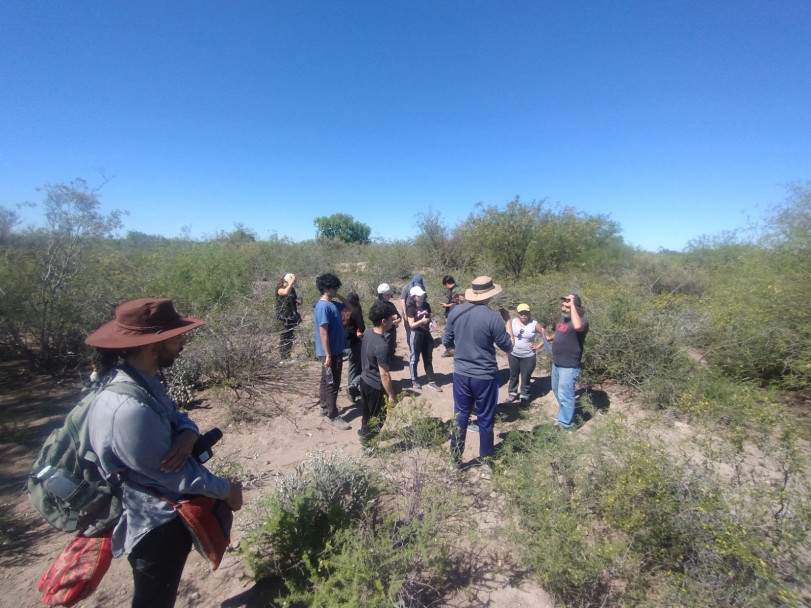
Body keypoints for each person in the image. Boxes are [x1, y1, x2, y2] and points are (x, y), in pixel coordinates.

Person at [85, 298, 243, 608]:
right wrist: (228, 490)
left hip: (159, 513)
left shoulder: (141, 381)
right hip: (152, 526)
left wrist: (187, 434)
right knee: (153, 599)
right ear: (152, 346)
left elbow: (178, 417)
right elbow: (174, 477)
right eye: (177, 336)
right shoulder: (128, 409)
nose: (184, 341)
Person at [443, 276, 512, 474]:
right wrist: (508, 322)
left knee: (460, 416)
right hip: (485, 376)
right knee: (485, 418)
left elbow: (446, 341)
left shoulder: (455, 311)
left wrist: (462, 354)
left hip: (461, 375)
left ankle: (455, 461)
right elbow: (508, 347)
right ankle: (486, 462)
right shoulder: (493, 318)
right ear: (490, 295)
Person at [314, 273, 353, 430]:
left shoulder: (332, 304)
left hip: (333, 350)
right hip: (330, 351)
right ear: (325, 288)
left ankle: (324, 406)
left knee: (326, 379)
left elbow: (350, 308)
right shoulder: (323, 306)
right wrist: (328, 354)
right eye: (334, 287)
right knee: (332, 382)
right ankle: (332, 414)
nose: (336, 289)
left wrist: (339, 295)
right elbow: (323, 332)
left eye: (337, 287)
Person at [358, 301, 397, 444]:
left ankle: (363, 433)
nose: (393, 320)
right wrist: (391, 395)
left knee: (367, 413)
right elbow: (384, 375)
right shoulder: (382, 345)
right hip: (375, 386)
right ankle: (369, 444)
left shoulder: (368, 332)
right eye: (391, 318)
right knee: (378, 418)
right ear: (383, 321)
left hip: (364, 380)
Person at [549, 293, 589, 429]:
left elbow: (577, 327)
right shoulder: (563, 318)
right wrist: (552, 337)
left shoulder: (582, 321)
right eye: (563, 305)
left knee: (566, 395)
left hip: (569, 365)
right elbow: (562, 331)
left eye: (567, 306)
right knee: (556, 390)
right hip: (557, 362)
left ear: (576, 307)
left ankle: (566, 425)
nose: (564, 308)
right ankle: (565, 414)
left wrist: (572, 306)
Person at [505, 303, 544, 404]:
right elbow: (506, 333)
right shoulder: (512, 322)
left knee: (526, 376)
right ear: (518, 313)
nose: (524, 315)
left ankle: (524, 395)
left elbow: (546, 336)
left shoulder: (534, 324)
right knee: (513, 375)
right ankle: (512, 393)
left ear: (529, 313)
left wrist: (538, 345)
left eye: (526, 312)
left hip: (528, 355)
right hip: (513, 354)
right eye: (521, 313)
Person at [406, 285, 441, 392]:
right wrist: (422, 322)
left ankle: (431, 381)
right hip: (416, 335)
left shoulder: (426, 305)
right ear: (414, 297)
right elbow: (411, 324)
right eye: (420, 295)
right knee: (414, 359)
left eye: (422, 295)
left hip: (426, 334)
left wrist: (431, 324)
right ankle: (414, 380)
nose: (422, 297)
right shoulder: (411, 308)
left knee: (428, 358)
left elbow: (428, 318)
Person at [343, 292, 365, 402]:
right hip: (353, 343)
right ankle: (352, 389)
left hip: (341, 344)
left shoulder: (342, 309)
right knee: (356, 367)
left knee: (353, 367)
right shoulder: (355, 310)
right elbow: (362, 327)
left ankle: (353, 388)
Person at [276, 272, 302, 361]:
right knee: (284, 336)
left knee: (290, 336)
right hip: (283, 316)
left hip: (291, 316)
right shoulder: (279, 288)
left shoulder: (292, 289)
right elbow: (284, 293)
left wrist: (298, 302)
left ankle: (288, 356)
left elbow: (293, 300)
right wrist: (291, 282)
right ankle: (283, 357)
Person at [375, 283, 401, 364]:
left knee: (391, 347)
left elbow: (398, 317)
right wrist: (393, 318)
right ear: (382, 295)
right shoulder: (377, 305)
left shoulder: (390, 304)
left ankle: (390, 360)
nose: (390, 295)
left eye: (390, 293)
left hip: (391, 330)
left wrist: (394, 320)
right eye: (387, 294)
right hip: (383, 331)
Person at [399, 274, 426, 353]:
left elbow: (424, 300)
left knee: (419, 329)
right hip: (408, 311)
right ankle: (411, 347)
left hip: (418, 311)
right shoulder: (406, 287)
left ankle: (419, 346)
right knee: (409, 330)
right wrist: (405, 313)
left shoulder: (422, 287)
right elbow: (402, 300)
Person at [439, 275, 459, 357]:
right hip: (451, 314)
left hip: (452, 315)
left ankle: (451, 350)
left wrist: (446, 305)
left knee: (450, 334)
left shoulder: (455, 290)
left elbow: (457, 303)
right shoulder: (455, 289)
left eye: (445, 285)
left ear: (447, 283)